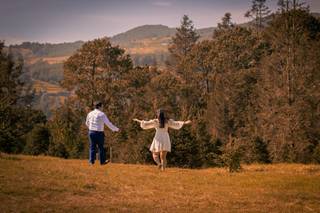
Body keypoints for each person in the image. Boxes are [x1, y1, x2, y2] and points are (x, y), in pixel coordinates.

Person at [86, 101, 119, 165]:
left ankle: (91, 162)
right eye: (102, 106)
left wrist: (91, 128)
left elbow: (87, 123)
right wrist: (116, 129)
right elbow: (108, 124)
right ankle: (102, 162)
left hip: (91, 132)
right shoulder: (102, 114)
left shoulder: (90, 113)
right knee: (101, 147)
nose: (103, 107)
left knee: (92, 147)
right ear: (100, 106)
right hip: (99, 133)